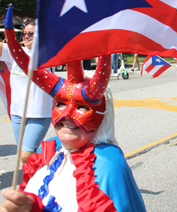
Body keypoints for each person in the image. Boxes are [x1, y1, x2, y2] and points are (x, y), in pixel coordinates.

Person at [0, 18, 146, 212]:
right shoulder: (49, 151)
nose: (67, 115)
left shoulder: (107, 165)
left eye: (82, 108)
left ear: (103, 116)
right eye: (60, 104)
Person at [0, 20, 53, 164]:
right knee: (25, 157)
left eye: (31, 33)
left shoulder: (48, 54)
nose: (26, 36)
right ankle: (32, 182)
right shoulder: (16, 52)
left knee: (26, 154)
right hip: (18, 114)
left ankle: (46, 173)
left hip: (39, 114)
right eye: (24, 33)